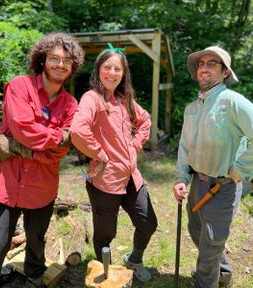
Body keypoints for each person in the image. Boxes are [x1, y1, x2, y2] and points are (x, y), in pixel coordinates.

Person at [0, 32, 84, 288]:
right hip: (7, 184)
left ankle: (34, 278)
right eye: (54, 58)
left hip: (42, 186)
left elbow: (62, 150)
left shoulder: (70, 105)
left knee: (36, 242)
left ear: (72, 66)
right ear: (42, 59)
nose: (60, 64)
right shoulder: (19, 86)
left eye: (67, 61)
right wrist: (57, 137)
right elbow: (23, 127)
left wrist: (21, 148)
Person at [173, 46, 253, 288]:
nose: (204, 68)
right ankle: (223, 274)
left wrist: (240, 170)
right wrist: (182, 178)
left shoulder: (233, 102)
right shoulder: (192, 108)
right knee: (197, 231)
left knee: (210, 245)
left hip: (224, 188)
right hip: (198, 185)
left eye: (212, 63)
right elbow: (184, 147)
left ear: (224, 73)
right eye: (201, 64)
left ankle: (205, 282)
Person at [70, 43, 158, 282]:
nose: (112, 73)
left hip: (132, 177)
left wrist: (135, 145)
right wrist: (99, 153)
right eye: (107, 67)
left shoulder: (123, 99)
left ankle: (135, 260)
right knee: (106, 234)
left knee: (148, 222)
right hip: (104, 181)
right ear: (99, 69)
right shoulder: (93, 98)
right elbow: (77, 130)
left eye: (117, 69)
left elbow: (145, 120)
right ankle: (104, 273)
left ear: (123, 73)